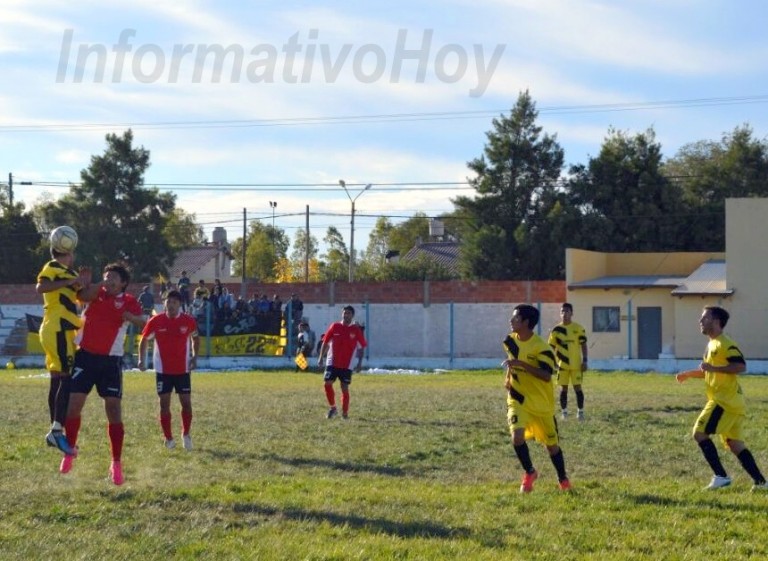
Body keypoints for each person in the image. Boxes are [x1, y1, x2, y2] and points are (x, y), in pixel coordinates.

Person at [59, 263, 145, 485]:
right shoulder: (96, 293)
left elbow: (143, 321)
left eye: (113, 277)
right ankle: (69, 450)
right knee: (74, 405)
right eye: (106, 276)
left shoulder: (129, 301)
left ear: (123, 282)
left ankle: (116, 462)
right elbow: (82, 295)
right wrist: (98, 283)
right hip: (85, 357)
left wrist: (130, 317)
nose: (109, 279)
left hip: (110, 362)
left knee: (113, 410)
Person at [676, 306, 768, 491]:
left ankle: (721, 476)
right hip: (733, 402)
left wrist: (713, 369)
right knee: (735, 444)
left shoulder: (724, 343)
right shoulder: (712, 344)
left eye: (705, 318)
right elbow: (710, 372)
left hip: (723, 401)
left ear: (716, 321)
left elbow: (740, 366)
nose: (700, 322)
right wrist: (689, 374)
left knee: (699, 433)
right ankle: (761, 483)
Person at [503, 304, 571, 493]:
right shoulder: (510, 341)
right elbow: (512, 360)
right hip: (518, 399)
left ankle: (563, 478)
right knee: (517, 437)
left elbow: (546, 375)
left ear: (526, 323)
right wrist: (508, 378)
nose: (511, 320)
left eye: (515, 318)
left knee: (552, 447)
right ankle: (530, 472)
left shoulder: (542, 348)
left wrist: (522, 365)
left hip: (542, 405)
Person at [36, 246, 92, 456]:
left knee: (57, 379)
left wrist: (83, 284)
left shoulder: (70, 273)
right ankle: (57, 430)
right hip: (58, 326)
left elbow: (81, 298)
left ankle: (55, 430)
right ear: (68, 252)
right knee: (66, 378)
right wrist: (70, 281)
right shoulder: (53, 266)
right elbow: (41, 287)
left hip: (61, 329)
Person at [138, 290, 200, 451]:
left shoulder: (188, 320)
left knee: (186, 403)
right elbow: (144, 339)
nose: (171, 304)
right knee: (164, 405)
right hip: (163, 371)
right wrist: (141, 360)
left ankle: (186, 434)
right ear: (164, 303)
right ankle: (168, 438)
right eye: (168, 301)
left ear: (179, 304)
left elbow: (196, 337)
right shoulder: (156, 321)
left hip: (183, 370)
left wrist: (195, 356)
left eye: (174, 302)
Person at [317, 306, 367, 419]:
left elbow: (361, 347)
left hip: (347, 365)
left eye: (348, 313)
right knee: (327, 383)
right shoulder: (335, 326)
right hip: (332, 362)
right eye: (344, 313)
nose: (346, 315)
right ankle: (333, 408)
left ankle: (345, 413)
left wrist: (359, 363)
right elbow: (325, 342)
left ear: (352, 315)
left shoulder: (356, 330)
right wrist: (321, 358)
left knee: (344, 387)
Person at [548, 302, 588, 421]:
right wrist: (552, 362)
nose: (564, 314)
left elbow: (583, 345)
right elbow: (550, 348)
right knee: (563, 389)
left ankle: (580, 412)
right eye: (562, 311)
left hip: (576, 365)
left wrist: (585, 360)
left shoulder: (578, 328)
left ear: (572, 313)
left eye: (567, 311)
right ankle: (564, 413)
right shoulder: (556, 330)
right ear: (560, 314)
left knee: (578, 388)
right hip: (562, 366)